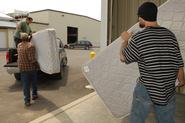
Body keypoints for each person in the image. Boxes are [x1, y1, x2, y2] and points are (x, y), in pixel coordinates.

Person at [120, 2, 185, 123]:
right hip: (168, 88)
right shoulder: (170, 35)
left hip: (146, 89)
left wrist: (125, 41)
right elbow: (178, 62)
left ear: (140, 17)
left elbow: (123, 58)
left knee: (137, 120)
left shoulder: (139, 38)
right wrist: (182, 79)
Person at [17, 33, 39, 106]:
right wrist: (37, 65)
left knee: (25, 85)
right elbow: (32, 59)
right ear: (28, 38)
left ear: (21, 39)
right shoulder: (30, 46)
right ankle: (34, 95)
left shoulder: (19, 45)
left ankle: (27, 101)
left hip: (22, 68)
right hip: (31, 68)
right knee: (34, 82)